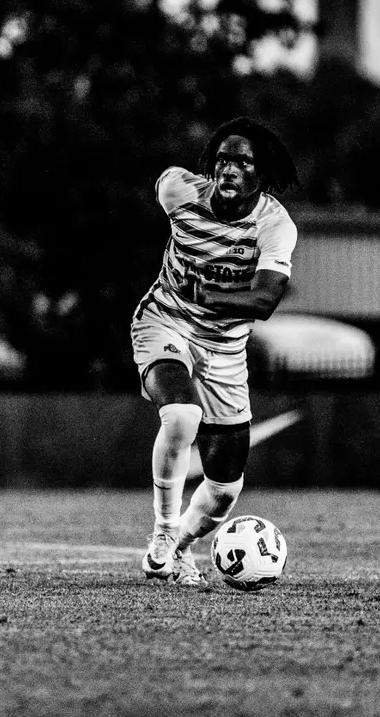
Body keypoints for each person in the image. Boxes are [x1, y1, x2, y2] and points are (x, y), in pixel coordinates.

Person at [131, 116, 299, 587]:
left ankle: (179, 551)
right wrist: (187, 297)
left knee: (225, 489)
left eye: (242, 162)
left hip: (226, 348)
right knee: (181, 416)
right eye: (222, 159)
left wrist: (208, 296)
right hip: (164, 321)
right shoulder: (178, 192)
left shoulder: (275, 225)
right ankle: (164, 533)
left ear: (261, 175)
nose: (229, 169)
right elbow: (164, 181)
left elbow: (265, 300)